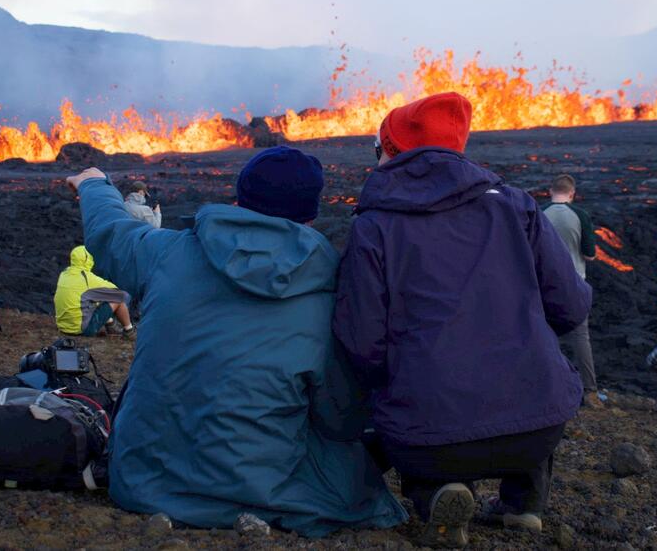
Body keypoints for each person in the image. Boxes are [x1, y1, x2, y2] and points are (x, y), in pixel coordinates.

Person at [65, 147, 406, 538]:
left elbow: (110, 233)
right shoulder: (330, 292)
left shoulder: (166, 252)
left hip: (144, 480)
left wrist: (93, 183)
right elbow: (338, 418)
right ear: (310, 215)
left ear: (238, 199)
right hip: (261, 490)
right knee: (349, 458)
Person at [332, 92, 592, 547]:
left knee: (410, 406)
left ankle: (437, 494)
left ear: (390, 152)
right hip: (537, 427)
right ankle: (524, 503)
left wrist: (389, 388)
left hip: (431, 434)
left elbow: (362, 342)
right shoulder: (516, 206)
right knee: (533, 370)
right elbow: (570, 307)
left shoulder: (374, 226)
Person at [541, 173, 603, 409]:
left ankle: (543, 386)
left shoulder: (538, 212)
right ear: (572, 193)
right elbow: (590, 254)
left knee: (542, 333)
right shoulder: (580, 215)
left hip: (543, 283)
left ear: (550, 190)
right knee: (580, 336)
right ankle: (590, 392)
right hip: (574, 284)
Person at [54, 245, 134, 337]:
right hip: (81, 329)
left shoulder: (64, 273)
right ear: (87, 259)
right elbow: (120, 294)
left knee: (92, 298)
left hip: (63, 326)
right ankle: (129, 331)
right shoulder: (88, 279)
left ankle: (111, 326)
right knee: (117, 299)